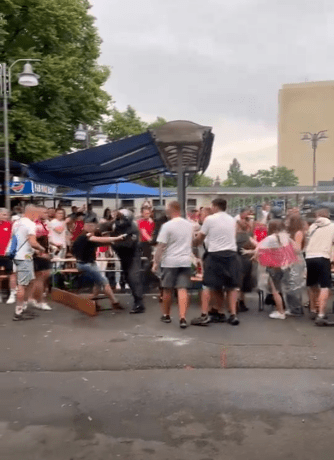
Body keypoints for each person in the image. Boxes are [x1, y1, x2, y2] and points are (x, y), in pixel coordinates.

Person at [193, 198, 240, 326]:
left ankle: (204, 315)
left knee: (208, 285)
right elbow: (232, 236)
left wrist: (193, 242)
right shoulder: (232, 220)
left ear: (214, 206)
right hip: (231, 254)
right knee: (230, 286)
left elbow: (200, 237)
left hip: (215, 255)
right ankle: (232, 315)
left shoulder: (210, 219)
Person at [153, 201, 194, 329]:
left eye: (167, 209)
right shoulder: (189, 225)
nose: (165, 211)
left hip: (169, 261)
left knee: (167, 289)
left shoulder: (167, 226)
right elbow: (191, 242)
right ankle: (182, 318)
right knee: (182, 289)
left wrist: (155, 262)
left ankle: (166, 315)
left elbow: (161, 246)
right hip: (185, 261)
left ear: (171, 210)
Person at [72, 219, 124, 309]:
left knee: (98, 283)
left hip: (87, 263)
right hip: (86, 264)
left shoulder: (84, 238)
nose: (94, 228)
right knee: (104, 282)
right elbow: (100, 239)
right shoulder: (86, 237)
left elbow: (100, 243)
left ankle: (93, 302)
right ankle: (114, 302)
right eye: (91, 226)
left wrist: (116, 242)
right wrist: (117, 238)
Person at [101, 209, 146, 314]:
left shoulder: (133, 228)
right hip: (123, 256)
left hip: (132, 256)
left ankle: (139, 303)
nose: (119, 221)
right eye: (118, 218)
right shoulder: (116, 225)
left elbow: (128, 245)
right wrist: (111, 222)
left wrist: (113, 242)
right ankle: (137, 299)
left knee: (133, 278)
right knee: (127, 278)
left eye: (120, 218)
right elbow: (102, 227)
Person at [256, 220, 297, 320]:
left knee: (275, 290)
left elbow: (259, 250)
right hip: (286, 266)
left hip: (274, 266)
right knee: (284, 288)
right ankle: (286, 308)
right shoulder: (286, 238)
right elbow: (296, 249)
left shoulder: (270, 238)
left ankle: (280, 312)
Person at [12, 205, 46, 321]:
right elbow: (33, 242)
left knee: (30, 281)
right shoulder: (30, 224)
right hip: (24, 257)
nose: (39, 215)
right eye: (37, 213)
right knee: (22, 285)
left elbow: (16, 239)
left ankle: (23, 307)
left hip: (18, 256)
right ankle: (18, 312)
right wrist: (41, 249)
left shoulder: (16, 223)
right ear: (32, 212)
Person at [305, 208, 334, 325]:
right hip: (323, 257)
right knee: (325, 286)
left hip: (309, 257)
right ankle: (321, 314)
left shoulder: (312, 227)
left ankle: (313, 309)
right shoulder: (332, 226)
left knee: (312, 284)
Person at [28, 206, 57, 311]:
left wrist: (54, 244)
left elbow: (46, 238)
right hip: (38, 254)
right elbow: (31, 241)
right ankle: (40, 301)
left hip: (44, 252)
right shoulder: (35, 225)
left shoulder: (43, 223)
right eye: (44, 212)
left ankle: (32, 298)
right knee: (40, 278)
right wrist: (39, 252)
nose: (47, 213)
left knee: (42, 277)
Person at [285, 214, 307, 316]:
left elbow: (297, 249)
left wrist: (289, 239)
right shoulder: (291, 233)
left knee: (294, 285)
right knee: (290, 284)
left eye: (289, 221)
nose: (286, 223)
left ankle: (296, 308)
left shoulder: (298, 233)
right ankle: (293, 307)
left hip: (296, 260)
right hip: (290, 260)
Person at [0, 208, 17, 304]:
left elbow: (15, 239)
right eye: (3, 215)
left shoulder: (11, 225)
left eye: (6, 215)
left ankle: (12, 294)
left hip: (8, 254)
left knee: (12, 274)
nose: (5, 217)